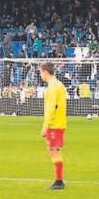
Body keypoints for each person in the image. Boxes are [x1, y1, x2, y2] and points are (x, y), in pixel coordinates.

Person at [40, 61, 67, 190]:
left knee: (53, 151)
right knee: (54, 150)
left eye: (41, 72)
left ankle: (59, 181)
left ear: (45, 72)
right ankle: (59, 180)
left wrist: (46, 126)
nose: (41, 75)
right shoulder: (59, 85)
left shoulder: (52, 87)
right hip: (60, 122)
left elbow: (51, 108)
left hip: (54, 124)